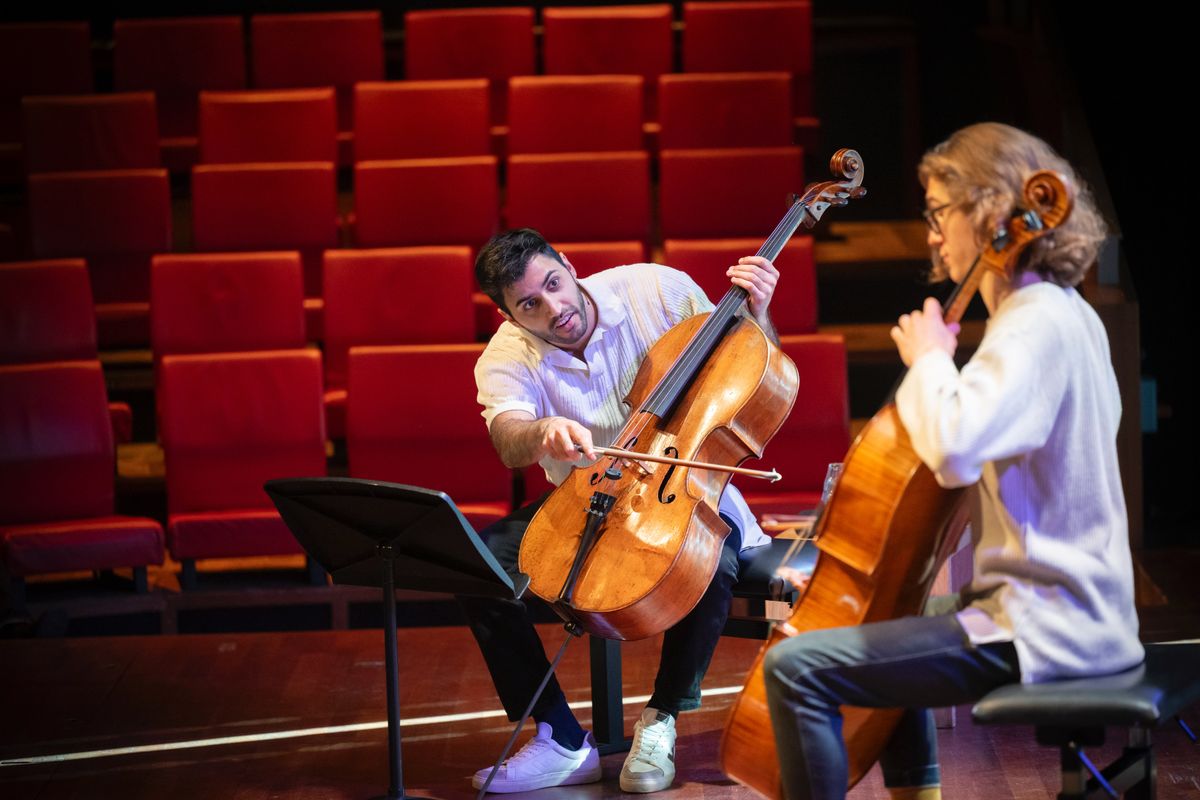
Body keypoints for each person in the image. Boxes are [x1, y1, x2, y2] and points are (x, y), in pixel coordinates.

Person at [762, 122, 1143, 800]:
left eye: (940, 213)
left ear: (991, 210)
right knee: (887, 622)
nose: (933, 235)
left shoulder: (1031, 324)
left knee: (796, 667)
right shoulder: (1067, 313)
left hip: (1045, 625)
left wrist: (930, 358)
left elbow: (954, 448)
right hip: (1071, 611)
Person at [463, 228, 781, 793]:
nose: (554, 309)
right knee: (478, 566)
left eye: (554, 284)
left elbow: (749, 365)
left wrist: (758, 315)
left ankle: (661, 720)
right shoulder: (506, 356)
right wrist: (541, 430)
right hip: (586, 499)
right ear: (508, 316)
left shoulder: (658, 290)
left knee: (708, 561)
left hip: (686, 482)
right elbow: (508, 437)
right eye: (530, 305)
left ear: (568, 264)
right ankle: (561, 739)